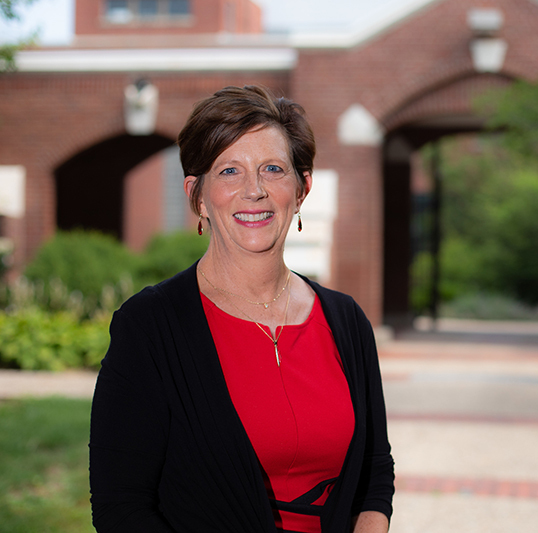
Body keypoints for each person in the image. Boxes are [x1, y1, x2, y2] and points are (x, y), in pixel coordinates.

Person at [89, 85, 394, 533]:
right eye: (229, 171)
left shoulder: (346, 321)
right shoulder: (150, 326)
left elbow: (374, 470)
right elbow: (121, 507)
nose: (254, 191)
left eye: (272, 168)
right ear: (197, 195)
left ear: (301, 187)